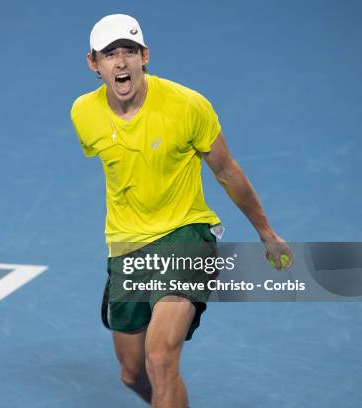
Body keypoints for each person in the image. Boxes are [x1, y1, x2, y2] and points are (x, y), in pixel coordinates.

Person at [70, 14, 293, 408]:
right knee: (134, 373)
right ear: (94, 63)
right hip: (126, 247)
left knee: (160, 359)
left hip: (186, 235)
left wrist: (266, 232)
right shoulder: (83, 114)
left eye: (129, 52)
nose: (120, 62)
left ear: (145, 56)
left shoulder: (188, 106)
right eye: (110, 54)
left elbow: (225, 169)